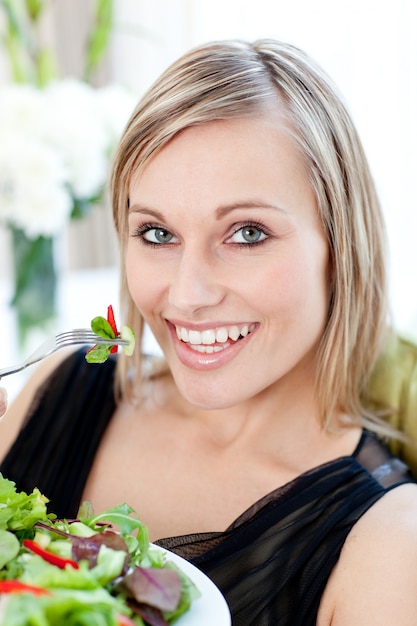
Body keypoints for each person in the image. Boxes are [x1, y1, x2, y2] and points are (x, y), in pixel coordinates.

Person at [1, 39, 417, 625]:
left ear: (339, 244)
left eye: (246, 233)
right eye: (156, 233)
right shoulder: (61, 386)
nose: (188, 295)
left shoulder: (388, 549)